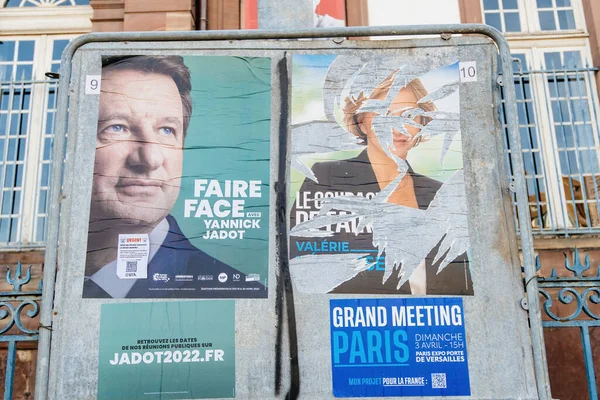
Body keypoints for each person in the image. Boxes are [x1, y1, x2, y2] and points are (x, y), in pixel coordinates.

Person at [83, 55, 265, 298]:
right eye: (117, 127)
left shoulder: (241, 296)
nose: (150, 158)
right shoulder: (56, 283)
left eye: (167, 131)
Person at [290, 71, 473, 295]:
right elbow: (300, 269)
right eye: (385, 113)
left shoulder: (440, 194)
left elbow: (460, 284)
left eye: (410, 114)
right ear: (362, 122)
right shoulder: (326, 177)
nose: (400, 127)